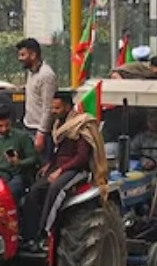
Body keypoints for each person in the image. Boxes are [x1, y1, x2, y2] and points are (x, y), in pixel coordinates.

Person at [19, 92, 108, 248]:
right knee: (34, 191)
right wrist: (50, 165)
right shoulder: (58, 126)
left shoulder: (81, 125)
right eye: (52, 107)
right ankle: (29, 235)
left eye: (57, 107)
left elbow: (81, 157)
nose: (54, 111)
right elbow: (57, 152)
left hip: (76, 170)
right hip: (57, 167)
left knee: (55, 190)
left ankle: (45, 233)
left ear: (68, 106)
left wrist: (61, 170)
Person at [0, 103, 37, 199]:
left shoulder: (22, 137)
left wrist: (19, 163)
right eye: (0, 126)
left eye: (7, 125)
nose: (4, 129)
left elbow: (33, 158)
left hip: (15, 176)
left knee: (10, 191)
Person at [18, 37, 58, 153]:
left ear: (33, 55)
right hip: (28, 126)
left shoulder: (46, 75)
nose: (19, 59)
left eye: (22, 55)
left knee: (43, 166)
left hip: (40, 130)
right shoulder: (31, 72)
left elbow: (48, 108)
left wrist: (42, 133)